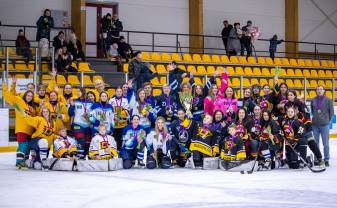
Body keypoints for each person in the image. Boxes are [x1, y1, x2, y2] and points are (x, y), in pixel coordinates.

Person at [2, 79, 37, 169]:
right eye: (28, 95)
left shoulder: (33, 108)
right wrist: (8, 86)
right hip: (21, 129)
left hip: (29, 130)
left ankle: (24, 161)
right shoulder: (19, 101)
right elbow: (8, 96)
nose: (29, 97)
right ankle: (19, 162)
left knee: (26, 146)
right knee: (23, 145)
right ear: (25, 95)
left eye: (31, 96)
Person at [311, 85, 334, 167]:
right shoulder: (313, 100)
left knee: (326, 143)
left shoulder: (328, 100)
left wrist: (328, 122)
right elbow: (312, 111)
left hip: (324, 125)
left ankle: (326, 159)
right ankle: (317, 159)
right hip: (315, 125)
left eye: (321, 89)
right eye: (318, 89)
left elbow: (332, 113)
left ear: (324, 91)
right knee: (316, 144)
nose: (319, 90)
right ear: (316, 91)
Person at [68, 88, 94, 159]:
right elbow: (70, 113)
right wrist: (72, 105)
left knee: (87, 142)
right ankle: (79, 156)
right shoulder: (75, 101)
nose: (77, 92)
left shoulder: (90, 102)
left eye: (79, 91)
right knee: (81, 139)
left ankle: (86, 156)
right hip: (78, 124)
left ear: (83, 92)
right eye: (77, 91)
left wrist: (92, 122)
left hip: (88, 125)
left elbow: (93, 114)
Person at [109, 86, 130, 150]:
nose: (119, 92)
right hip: (114, 123)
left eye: (120, 91)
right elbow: (110, 111)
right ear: (115, 92)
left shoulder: (125, 100)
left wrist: (118, 115)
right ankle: (114, 151)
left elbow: (127, 111)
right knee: (114, 138)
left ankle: (120, 151)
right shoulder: (111, 100)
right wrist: (114, 116)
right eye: (117, 91)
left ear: (122, 92)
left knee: (121, 139)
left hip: (122, 123)